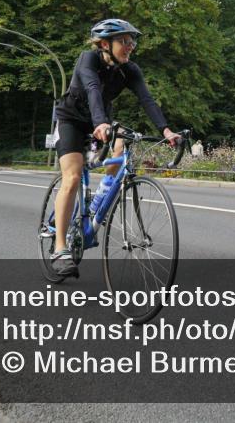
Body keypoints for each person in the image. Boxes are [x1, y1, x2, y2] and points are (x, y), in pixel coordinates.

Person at [50, 19, 181, 276]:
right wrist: (99, 123)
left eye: (132, 42)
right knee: (73, 175)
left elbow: (147, 99)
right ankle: (60, 247)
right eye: (124, 41)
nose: (130, 46)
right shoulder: (87, 59)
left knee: (123, 141)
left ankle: (101, 198)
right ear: (104, 44)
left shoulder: (130, 70)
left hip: (102, 121)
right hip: (71, 120)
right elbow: (92, 89)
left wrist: (166, 131)